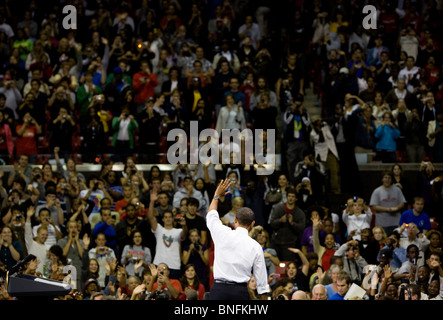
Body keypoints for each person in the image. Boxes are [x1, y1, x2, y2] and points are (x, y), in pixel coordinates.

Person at [206, 179, 270, 300]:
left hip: (218, 291)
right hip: (240, 293)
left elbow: (211, 215)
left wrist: (216, 196)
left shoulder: (222, 233)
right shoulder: (255, 246)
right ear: (252, 224)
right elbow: (262, 284)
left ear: (235, 220)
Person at [147, 191, 187, 280]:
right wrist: (152, 201)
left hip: (174, 265)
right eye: (166, 217)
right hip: (159, 263)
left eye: (170, 217)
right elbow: (150, 217)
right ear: (163, 219)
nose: (168, 219)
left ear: (173, 219)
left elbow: (184, 234)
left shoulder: (178, 231)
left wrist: (184, 225)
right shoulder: (159, 230)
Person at [268, 187, 306, 261]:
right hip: (276, 243)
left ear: (296, 199)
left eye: (293, 196)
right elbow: (271, 223)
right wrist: (280, 221)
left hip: (290, 245)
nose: (290, 198)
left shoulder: (299, 213)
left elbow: (301, 228)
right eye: (289, 196)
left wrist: (292, 224)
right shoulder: (278, 208)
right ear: (286, 197)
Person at [369, 171, 407, 235]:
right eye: (385, 178)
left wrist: (396, 208)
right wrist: (388, 209)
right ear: (382, 179)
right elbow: (374, 206)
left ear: (391, 179)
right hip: (382, 223)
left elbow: (402, 202)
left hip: (396, 222)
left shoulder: (397, 190)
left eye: (389, 178)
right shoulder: (377, 191)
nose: (387, 180)